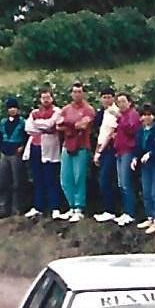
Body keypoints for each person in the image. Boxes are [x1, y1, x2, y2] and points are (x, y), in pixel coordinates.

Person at [59, 82, 96, 223]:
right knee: (65, 178)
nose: (77, 94)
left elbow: (83, 124)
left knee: (79, 177)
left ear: (83, 93)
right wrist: (72, 125)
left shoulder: (88, 109)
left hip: (81, 146)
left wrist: (68, 124)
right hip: (67, 145)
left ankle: (79, 208)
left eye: (79, 91)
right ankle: (71, 206)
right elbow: (58, 125)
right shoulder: (66, 108)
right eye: (74, 92)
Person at [24, 88, 63, 219]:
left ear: (52, 98)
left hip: (50, 149)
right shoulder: (35, 112)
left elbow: (50, 124)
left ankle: (55, 207)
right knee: (38, 178)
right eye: (43, 98)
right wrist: (41, 126)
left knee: (51, 178)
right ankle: (38, 207)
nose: (46, 100)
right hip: (35, 147)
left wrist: (38, 124)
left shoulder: (57, 111)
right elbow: (28, 128)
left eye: (48, 97)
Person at [134, 103, 155, 232]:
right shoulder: (140, 131)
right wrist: (134, 158)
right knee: (146, 191)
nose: (147, 117)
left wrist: (151, 154)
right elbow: (138, 148)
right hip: (145, 166)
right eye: (144, 115)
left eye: (149, 115)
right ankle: (149, 217)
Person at [111, 92, 142, 226]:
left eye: (124, 101)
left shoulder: (132, 114)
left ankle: (130, 213)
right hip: (119, 152)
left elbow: (132, 130)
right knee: (121, 183)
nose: (121, 104)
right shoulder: (122, 116)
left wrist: (120, 119)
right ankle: (125, 211)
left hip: (128, 152)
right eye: (119, 102)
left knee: (126, 182)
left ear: (129, 102)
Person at [0, 97, 29, 218]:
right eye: (10, 108)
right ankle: (3, 207)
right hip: (5, 152)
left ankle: (17, 208)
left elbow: (26, 136)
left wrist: (22, 147)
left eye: (14, 108)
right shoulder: (3, 122)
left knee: (17, 182)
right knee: (3, 181)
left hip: (16, 153)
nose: (12, 110)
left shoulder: (22, 122)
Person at [92, 86, 120, 222]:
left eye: (109, 97)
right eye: (104, 97)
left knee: (106, 179)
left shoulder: (115, 111)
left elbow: (110, 133)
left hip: (110, 149)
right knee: (103, 180)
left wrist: (100, 151)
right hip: (102, 147)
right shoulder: (103, 112)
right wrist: (97, 152)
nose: (107, 100)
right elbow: (101, 133)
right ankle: (108, 209)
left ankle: (111, 210)